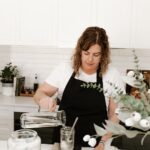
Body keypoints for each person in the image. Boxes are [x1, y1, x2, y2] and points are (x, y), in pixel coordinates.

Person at [34, 26, 125, 150]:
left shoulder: (112, 75)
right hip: (63, 142)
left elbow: (115, 115)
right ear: (79, 51)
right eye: (86, 53)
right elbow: (39, 93)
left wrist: (103, 142)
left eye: (96, 55)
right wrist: (43, 99)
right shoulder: (64, 69)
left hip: (95, 144)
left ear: (103, 55)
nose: (90, 59)